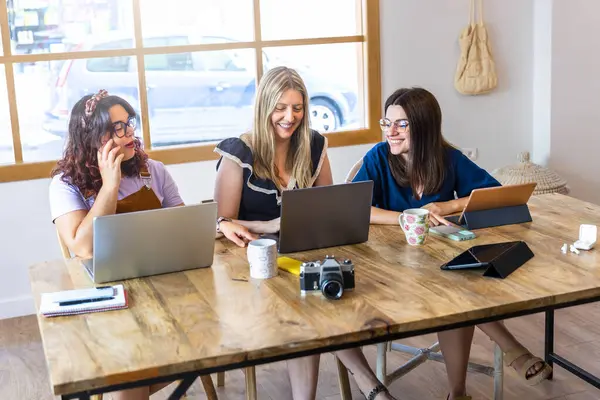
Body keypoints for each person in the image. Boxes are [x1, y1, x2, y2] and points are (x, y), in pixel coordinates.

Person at [351, 87, 553, 399]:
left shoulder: (448, 158)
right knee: (457, 294)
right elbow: (355, 206)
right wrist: (407, 217)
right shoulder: (378, 157)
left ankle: (457, 392)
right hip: (389, 267)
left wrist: (445, 207)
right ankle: (509, 351)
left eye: (401, 124)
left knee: (460, 289)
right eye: (386, 122)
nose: (390, 131)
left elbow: (493, 194)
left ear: (424, 126)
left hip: (438, 264)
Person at [213, 66, 397, 400]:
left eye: (297, 108)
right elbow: (221, 219)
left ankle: (364, 386)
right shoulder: (239, 152)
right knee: (311, 309)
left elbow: (326, 203)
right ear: (264, 107)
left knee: (327, 298)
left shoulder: (313, 145)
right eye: (280, 108)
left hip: (301, 247)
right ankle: (370, 384)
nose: (290, 116)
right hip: (253, 256)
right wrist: (225, 224)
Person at [48, 90, 244, 400]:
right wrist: (109, 185)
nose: (128, 134)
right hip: (107, 295)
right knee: (132, 356)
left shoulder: (152, 170)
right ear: (90, 137)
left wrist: (219, 223)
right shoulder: (66, 184)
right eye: (116, 128)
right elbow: (84, 249)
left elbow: (185, 224)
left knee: (147, 360)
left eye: (129, 124)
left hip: (166, 285)